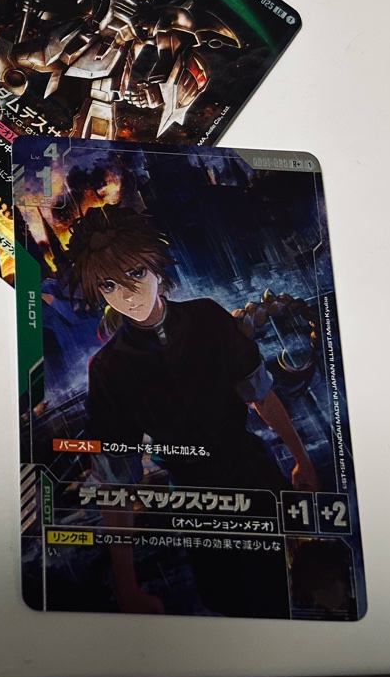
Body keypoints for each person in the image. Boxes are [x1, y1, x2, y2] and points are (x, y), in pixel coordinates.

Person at [66, 205, 318, 617]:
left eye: (135, 273)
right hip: (195, 501)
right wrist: (127, 587)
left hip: (254, 475)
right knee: (230, 604)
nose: (127, 294)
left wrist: (301, 458)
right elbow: (116, 476)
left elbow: (260, 393)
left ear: (157, 268)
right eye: (109, 285)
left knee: (298, 585)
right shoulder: (109, 368)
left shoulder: (207, 317)